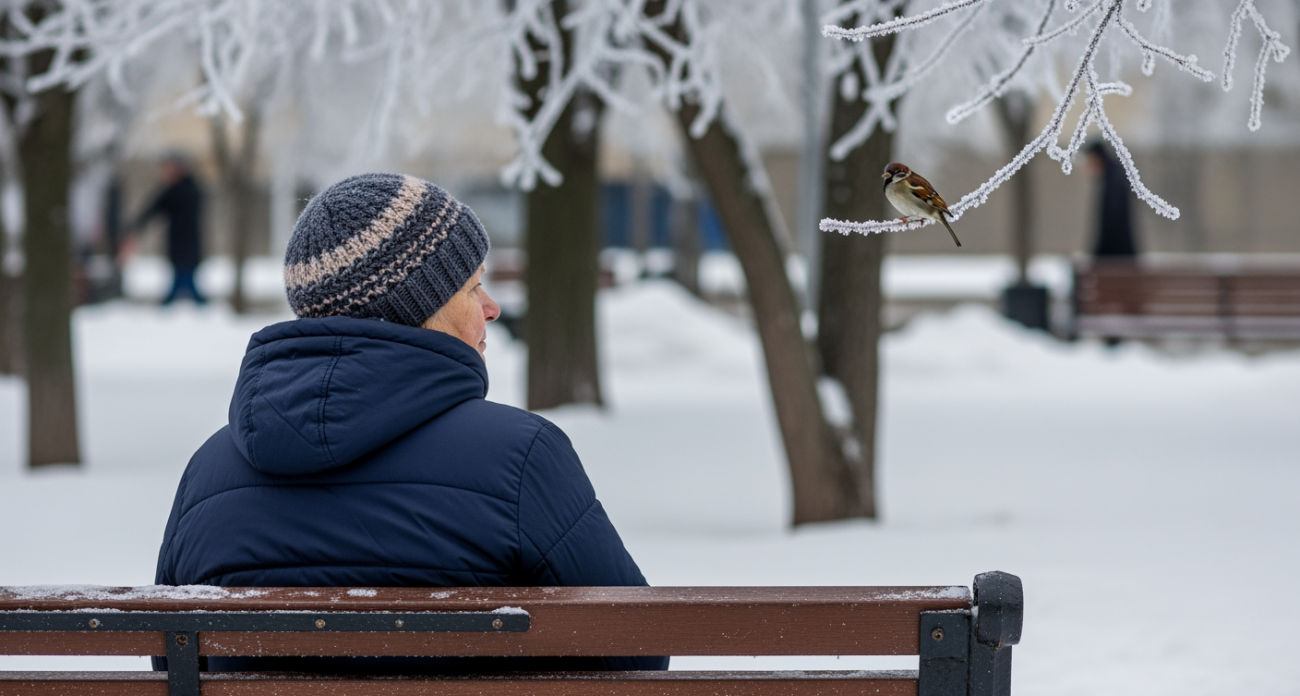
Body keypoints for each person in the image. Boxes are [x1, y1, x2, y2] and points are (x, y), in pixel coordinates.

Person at [154, 173, 666, 674]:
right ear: (419, 309)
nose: (492, 308)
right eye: (473, 288)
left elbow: (171, 658)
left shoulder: (208, 472)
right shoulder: (523, 456)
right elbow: (636, 647)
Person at [134, 154, 207, 305]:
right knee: (185, 282)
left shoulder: (180, 191)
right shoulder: (187, 189)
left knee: (184, 282)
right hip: (183, 246)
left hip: (185, 246)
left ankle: (170, 307)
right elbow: (153, 210)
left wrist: (135, 226)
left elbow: (153, 209)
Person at [1084, 140, 1139, 258]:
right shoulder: (1113, 176)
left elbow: (1112, 221)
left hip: (1117, 255)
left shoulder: (1114, 181)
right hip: (1120, 254)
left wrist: (1100, 254)